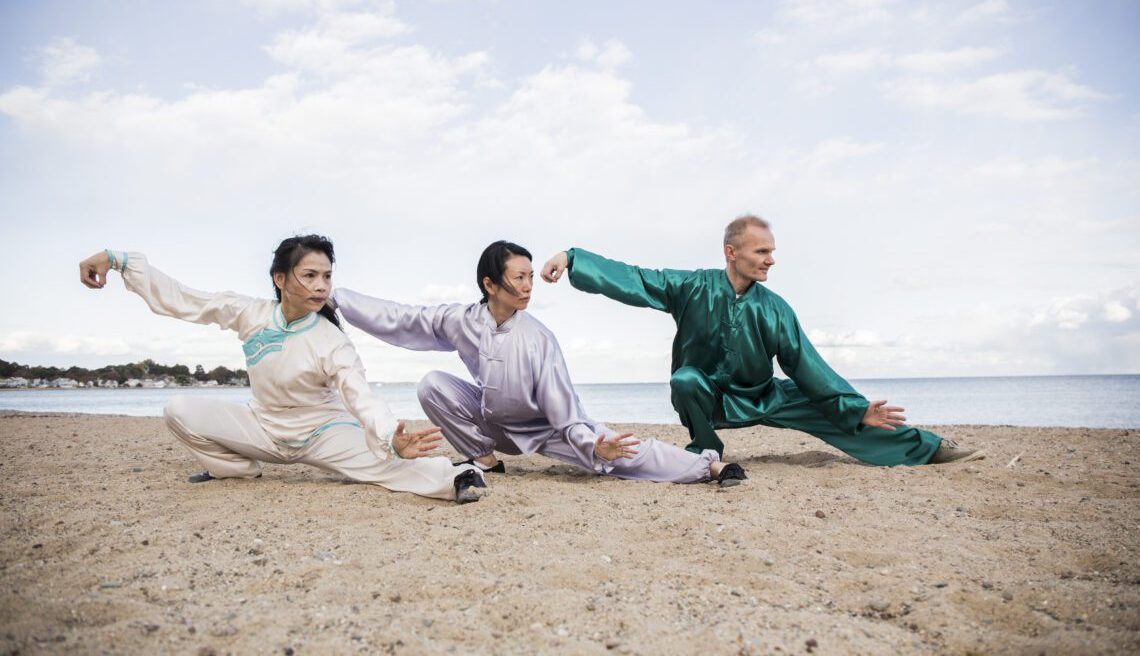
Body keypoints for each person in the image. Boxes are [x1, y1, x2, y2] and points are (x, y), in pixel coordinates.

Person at [540, 215, 984, 467]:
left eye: (771, 251)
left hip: (765, 396)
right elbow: (634, 278)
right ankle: (706, 449)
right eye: (762, 252)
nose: (771, 259)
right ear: (731, 252)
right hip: (709, 400)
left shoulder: (775, 307)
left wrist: (856, 407)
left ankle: (926, 447)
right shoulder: (691, 286)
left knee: (846, 415)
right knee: (685, 379)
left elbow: (808, 367)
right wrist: (573, 259)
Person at [77, 235, 487, 504]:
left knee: (389, 467)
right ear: (280, 278)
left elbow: (360, 395)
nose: (321, 285)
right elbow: (185, 300)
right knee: (178, 409)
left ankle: (461, 478)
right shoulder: (250, 313)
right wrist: (118, 260)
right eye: (309, 275)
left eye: (326, 276)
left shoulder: (331, 340)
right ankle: (237, 470)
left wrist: (389, 438)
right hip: (263, 428)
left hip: (323, 433)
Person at [331, 240, 747, 487]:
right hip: (491, 420)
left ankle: (708, 466)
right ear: (489, 285)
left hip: (544, 428)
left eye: (531, 276)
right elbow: (401, 319)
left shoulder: (538, 338)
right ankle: (484, 460)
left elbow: (563, 410)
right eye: (519, 278)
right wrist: (338, 299)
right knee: (432, 384)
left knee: (616, 451)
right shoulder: (461, 320)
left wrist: (591, 444)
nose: (529, 286)